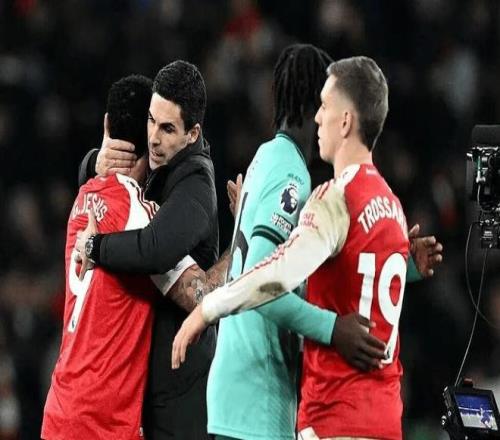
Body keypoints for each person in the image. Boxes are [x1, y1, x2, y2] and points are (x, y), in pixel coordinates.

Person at [173, 56, 443, 440]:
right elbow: (361, 281)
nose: (317, 117)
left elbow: (273, 277)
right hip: (384, 419)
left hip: (334, 419)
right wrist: (408, 267)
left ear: (345, 121)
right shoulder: (392, 207)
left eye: (326, 106)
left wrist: (207, 308)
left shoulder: (334, 199)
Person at [41, 74, 196, 439]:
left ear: (106, 125)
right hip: (103, 423)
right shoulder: (141, 216)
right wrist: (243, 237)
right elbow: (201, 295)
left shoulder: (83, 197)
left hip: (60, 413)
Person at [75, 61, 221, 440]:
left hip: (183, 393)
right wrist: (94, 163)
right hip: (147, 384)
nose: (153, 138)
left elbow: (155, 249)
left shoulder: (195, 182)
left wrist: (93, 245)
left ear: (192, 134)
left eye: (167, 128)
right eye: (151, 121)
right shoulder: (161, 163)